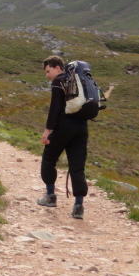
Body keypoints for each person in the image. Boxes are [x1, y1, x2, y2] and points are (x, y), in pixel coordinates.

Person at [36, 55, 114, 220]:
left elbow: (55, 108)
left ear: (58, 67)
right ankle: (78, 206)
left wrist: (47, 131)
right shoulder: (79, 81)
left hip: (64, 127)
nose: (47, 75)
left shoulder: (59, 81)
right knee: (77, 167)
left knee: (49, 158)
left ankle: (50, 196)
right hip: (82, 128)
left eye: (48, 71)